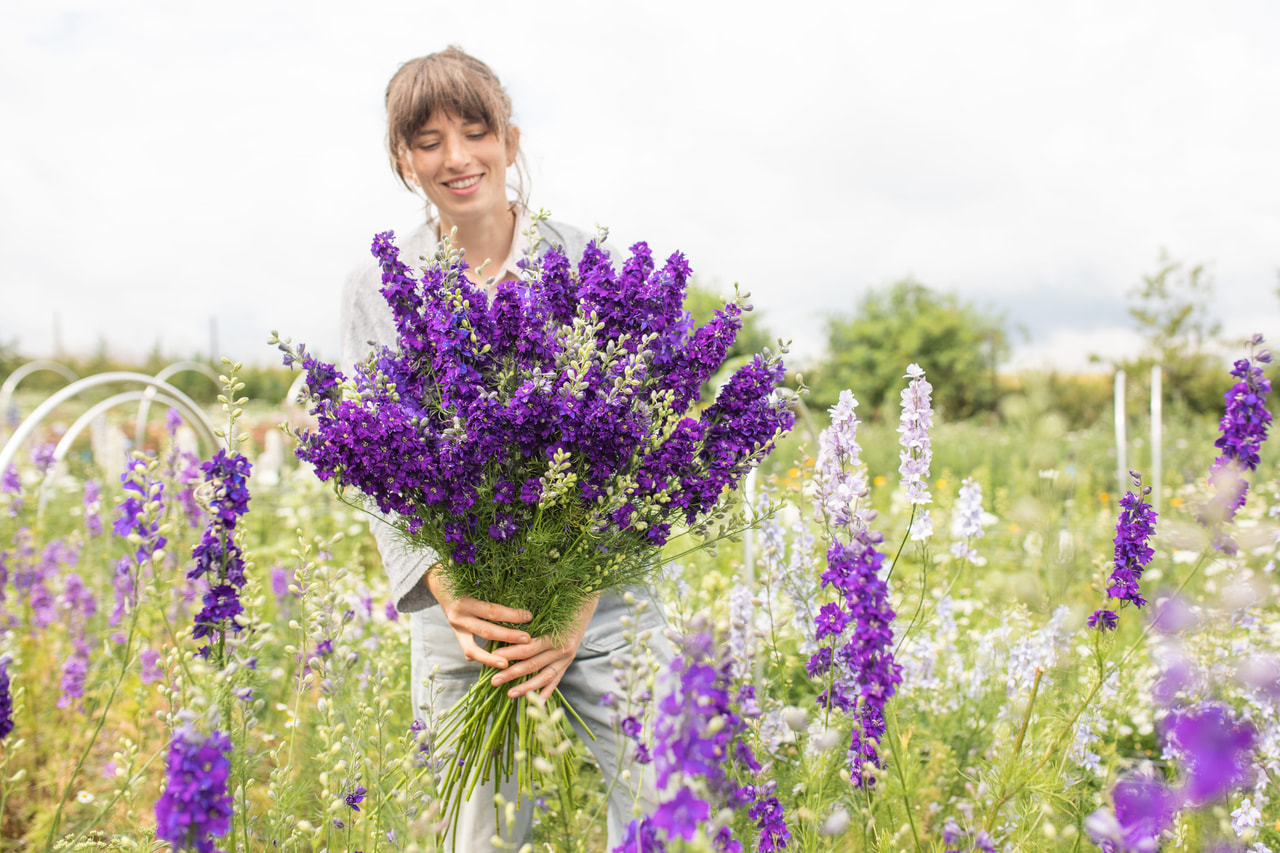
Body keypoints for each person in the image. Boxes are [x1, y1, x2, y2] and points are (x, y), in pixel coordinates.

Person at [339, 46, 670, 849]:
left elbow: (637, 448)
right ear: (403, 160)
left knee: (659, 800)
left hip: (600, 591)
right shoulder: (378, 286)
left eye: (476, 132)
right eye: (428, 141)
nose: (456, 157)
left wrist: (575, 604)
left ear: (510, 141)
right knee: (479, 833)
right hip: (465, 605)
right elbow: (372, 461)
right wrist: (447, 589)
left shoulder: (585, 265)